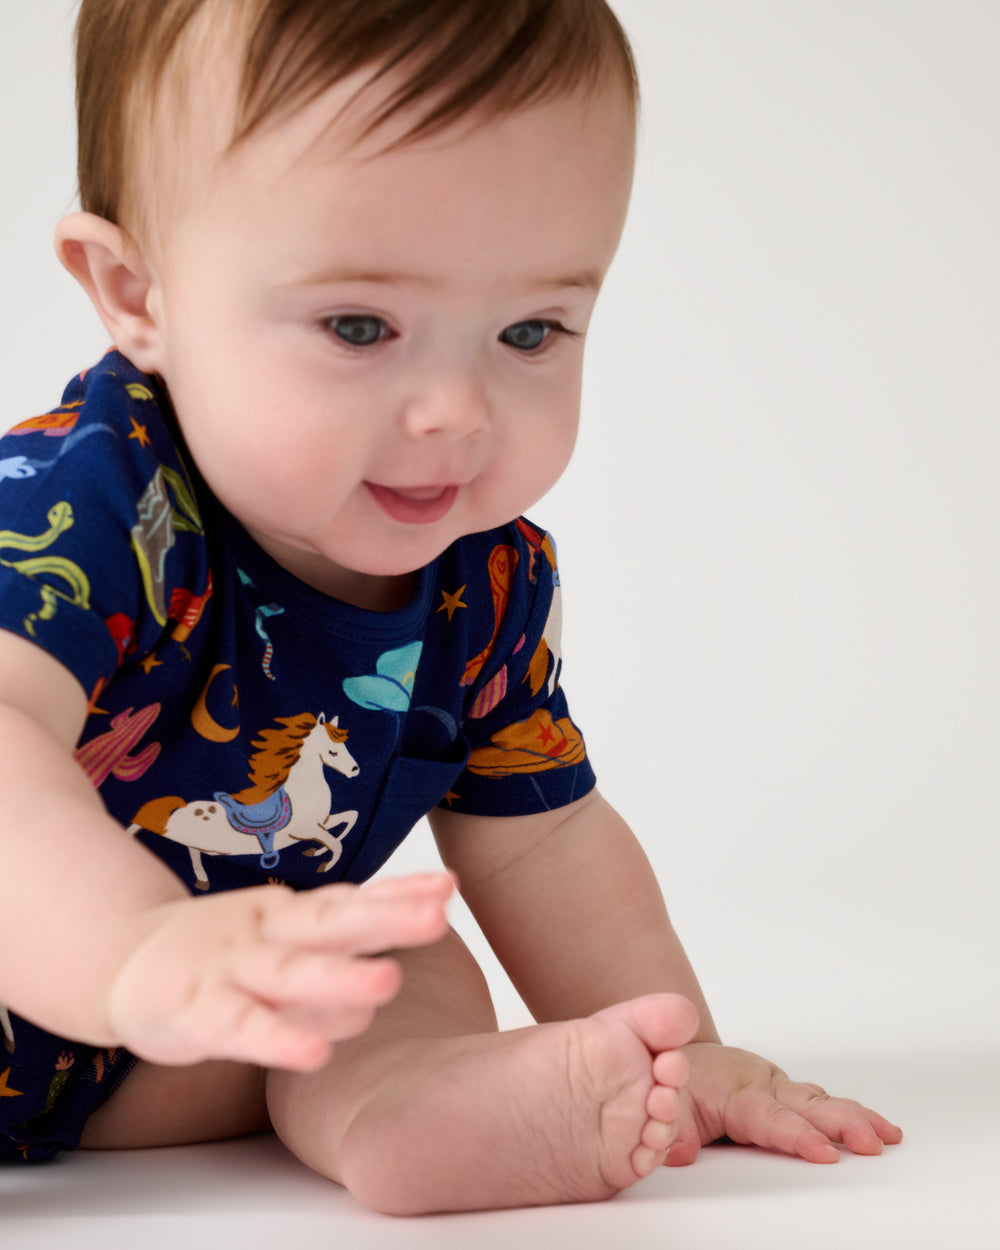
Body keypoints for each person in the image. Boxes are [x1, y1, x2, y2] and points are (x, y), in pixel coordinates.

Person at [0, 0, 901, 1214]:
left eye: (528, 329)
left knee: (392, 954)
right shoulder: (88, 499)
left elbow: (541, 834)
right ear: (136, 292)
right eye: (359, 325)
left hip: (166, 1056)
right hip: (90, 962)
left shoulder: (487, 581)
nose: (454, 412)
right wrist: (137, 952)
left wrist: (684, 1051)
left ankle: (403, 1110)